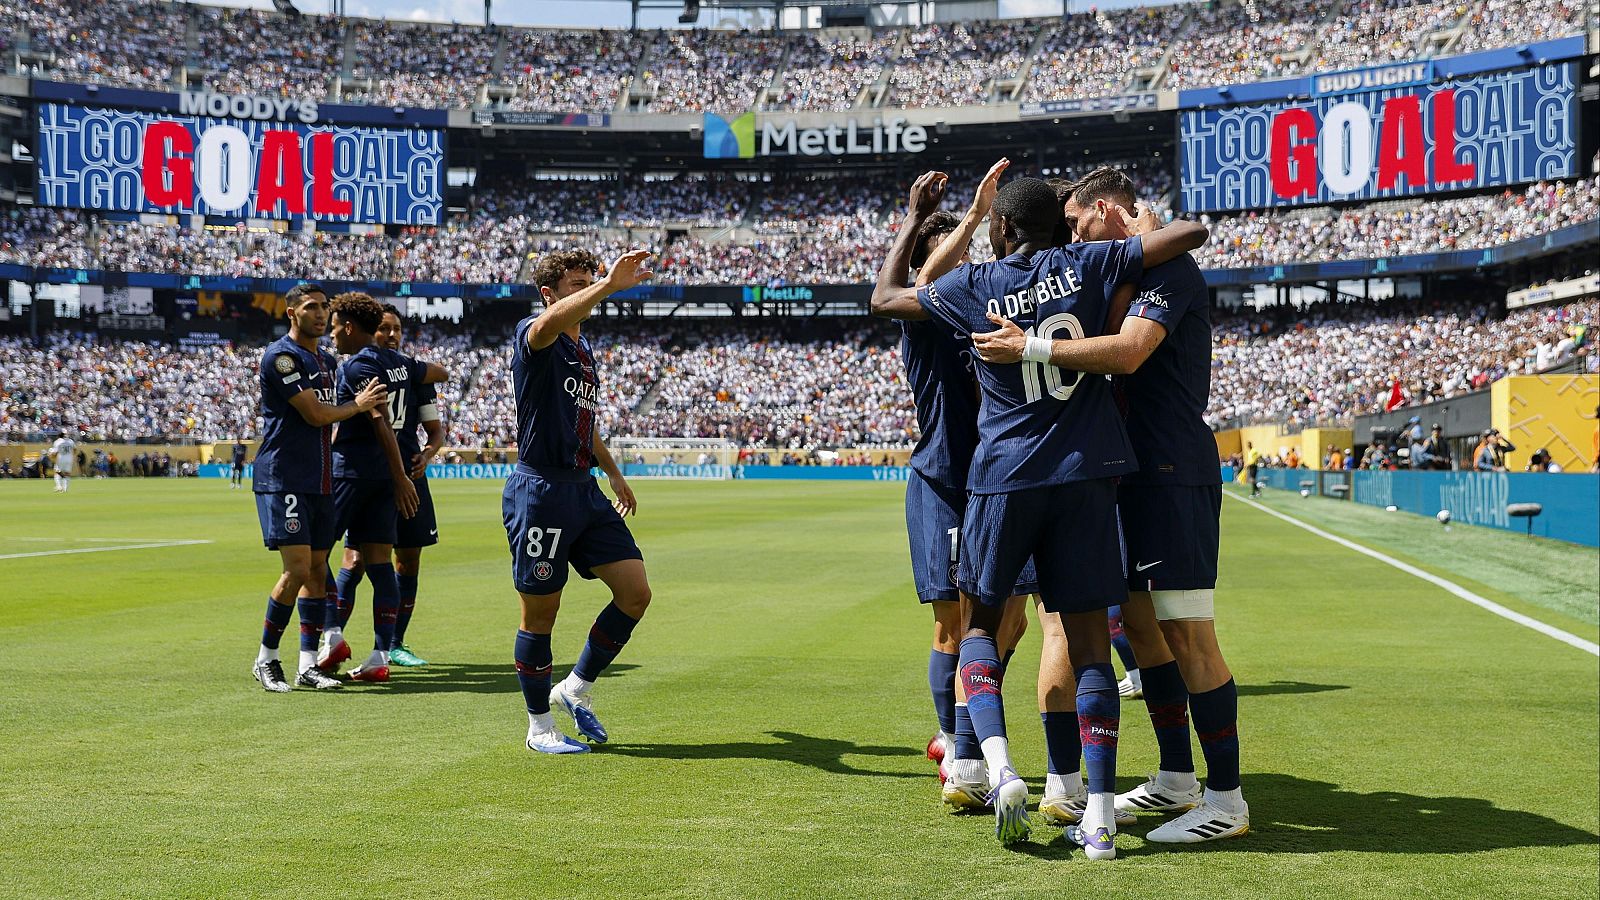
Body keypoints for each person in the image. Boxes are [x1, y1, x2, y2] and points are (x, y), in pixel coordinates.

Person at [872, 169, 1209, 856]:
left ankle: (994, 767)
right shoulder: (1087, 261)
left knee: (980, 629)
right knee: (1089, 646)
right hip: (1088, 478)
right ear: (1062, 225)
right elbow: (1192, 234)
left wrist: (926, 219)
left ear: (1000, 228)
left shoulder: (973, 286)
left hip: (1002, 478)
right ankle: (1100, 818)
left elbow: (884, 299)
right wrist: (1140, 225)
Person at [972, 165, 1248, 845]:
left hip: (1170, 470)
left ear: (1104, 212)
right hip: (1127, 473)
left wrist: (1028, 344)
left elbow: (1127, 355)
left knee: (1188, 634)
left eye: (1075, 224)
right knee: (1146, 633)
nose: (1069, 237)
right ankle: (1178, 780)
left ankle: (1228, 799)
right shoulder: (1114, 273)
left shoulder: (1170, 270)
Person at [897, 165, 1033, 815]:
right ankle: (961, 747)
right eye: (945, 252)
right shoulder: (926, 314)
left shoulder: (986, 300)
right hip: (946, 479)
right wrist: (968, 216)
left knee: (1014, 620)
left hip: (1003, 480)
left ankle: (965, 729)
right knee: (955, 622)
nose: (961, 263)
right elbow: (912, 283)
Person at [505, 248, 655, 755]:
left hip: (583, 490)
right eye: (576, 283)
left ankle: (573, 687)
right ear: (550, 294)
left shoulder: (583, 350)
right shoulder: (535, 334)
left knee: (635, 592)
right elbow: (546, 325)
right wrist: (610, 284)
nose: (586, 288)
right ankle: (538, 726)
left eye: (589, 280)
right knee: (541, 614)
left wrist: (614, 474)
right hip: (541, 492)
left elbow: (584, 425)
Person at [250, 283, 388, 694]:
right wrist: (358, 406)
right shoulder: (282, 358)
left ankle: (307, 663)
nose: (320, 313)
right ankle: (266, 658)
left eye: (324, 307)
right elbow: (314, 415)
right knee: (295, 569)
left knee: (314, 571)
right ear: (291, 312)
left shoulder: (326, 361)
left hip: (320, 480)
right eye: (310, 307)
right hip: (285, 477)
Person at [331, 304, 449, 669]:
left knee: (407, 559)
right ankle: (333, 637)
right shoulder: (364, 368)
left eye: (397, 328)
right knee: (356, 557)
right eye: (385, 328)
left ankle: (394, 644)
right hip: (372, 474)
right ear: (371, 330)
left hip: (408, 475)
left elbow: (435, 431)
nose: (392, 334)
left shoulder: (414, 376)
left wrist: (427, 455)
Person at [317, 293, 421, 684]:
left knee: (314, 554)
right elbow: (433, 373)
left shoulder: (359, 364)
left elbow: (378, 421)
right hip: (381, 479)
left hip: (354, 472)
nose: (331, 335)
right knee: (379, 564)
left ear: (347, 326)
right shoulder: (398, 364)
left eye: (334, 327)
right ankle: (380, 654)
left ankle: (332, 634)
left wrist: (401, 476)